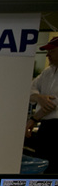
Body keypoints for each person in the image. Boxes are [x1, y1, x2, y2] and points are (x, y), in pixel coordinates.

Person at [26, 36, 58, 173]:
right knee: (42, 166)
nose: (47, 55)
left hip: (56, 127)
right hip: (46, 127)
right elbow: (29, 89)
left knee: (52, 169)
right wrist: (39, 98)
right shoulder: (48, 72)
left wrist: (32, 120)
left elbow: (52, 104)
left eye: (51, 51)